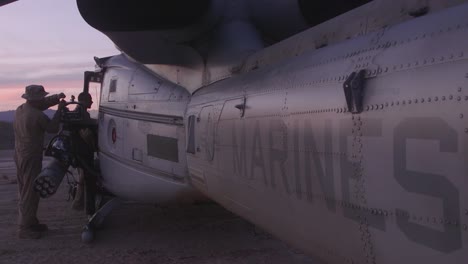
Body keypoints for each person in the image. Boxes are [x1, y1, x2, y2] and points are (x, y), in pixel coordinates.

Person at [14, 84, 66, 239]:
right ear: (36, 100)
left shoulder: (21, 109)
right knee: (30, 191)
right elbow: (52, 128)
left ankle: (30, 221)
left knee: (24, 189)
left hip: (19, 154)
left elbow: (41, 104)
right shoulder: (37, 116)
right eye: (41, 97)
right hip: (31, 156)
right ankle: (24, 227)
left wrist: (56, 98)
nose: (43, 99)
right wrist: (60, 110)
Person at [71, 92, 98, 215]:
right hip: (83, 153)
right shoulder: (81, 113)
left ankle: (79, 204)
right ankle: (90, 210)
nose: (92, 102)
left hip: (81, 152)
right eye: (90, 100)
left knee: (83, 179)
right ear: (84, 100)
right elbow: (86, 132)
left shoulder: (80, 112)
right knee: (89, 181)